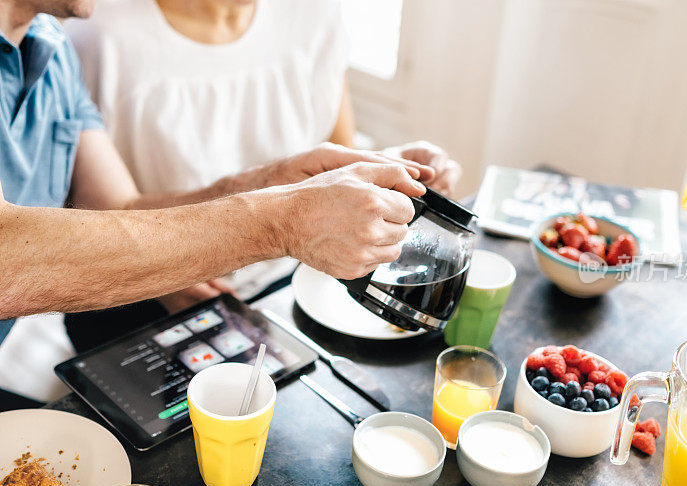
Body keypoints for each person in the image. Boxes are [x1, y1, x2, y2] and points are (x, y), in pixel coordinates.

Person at [0, 0, 439, 356]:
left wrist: (269, 181)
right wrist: (280, 220)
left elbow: (121, 209)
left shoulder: (52, 47)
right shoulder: (98, 36)